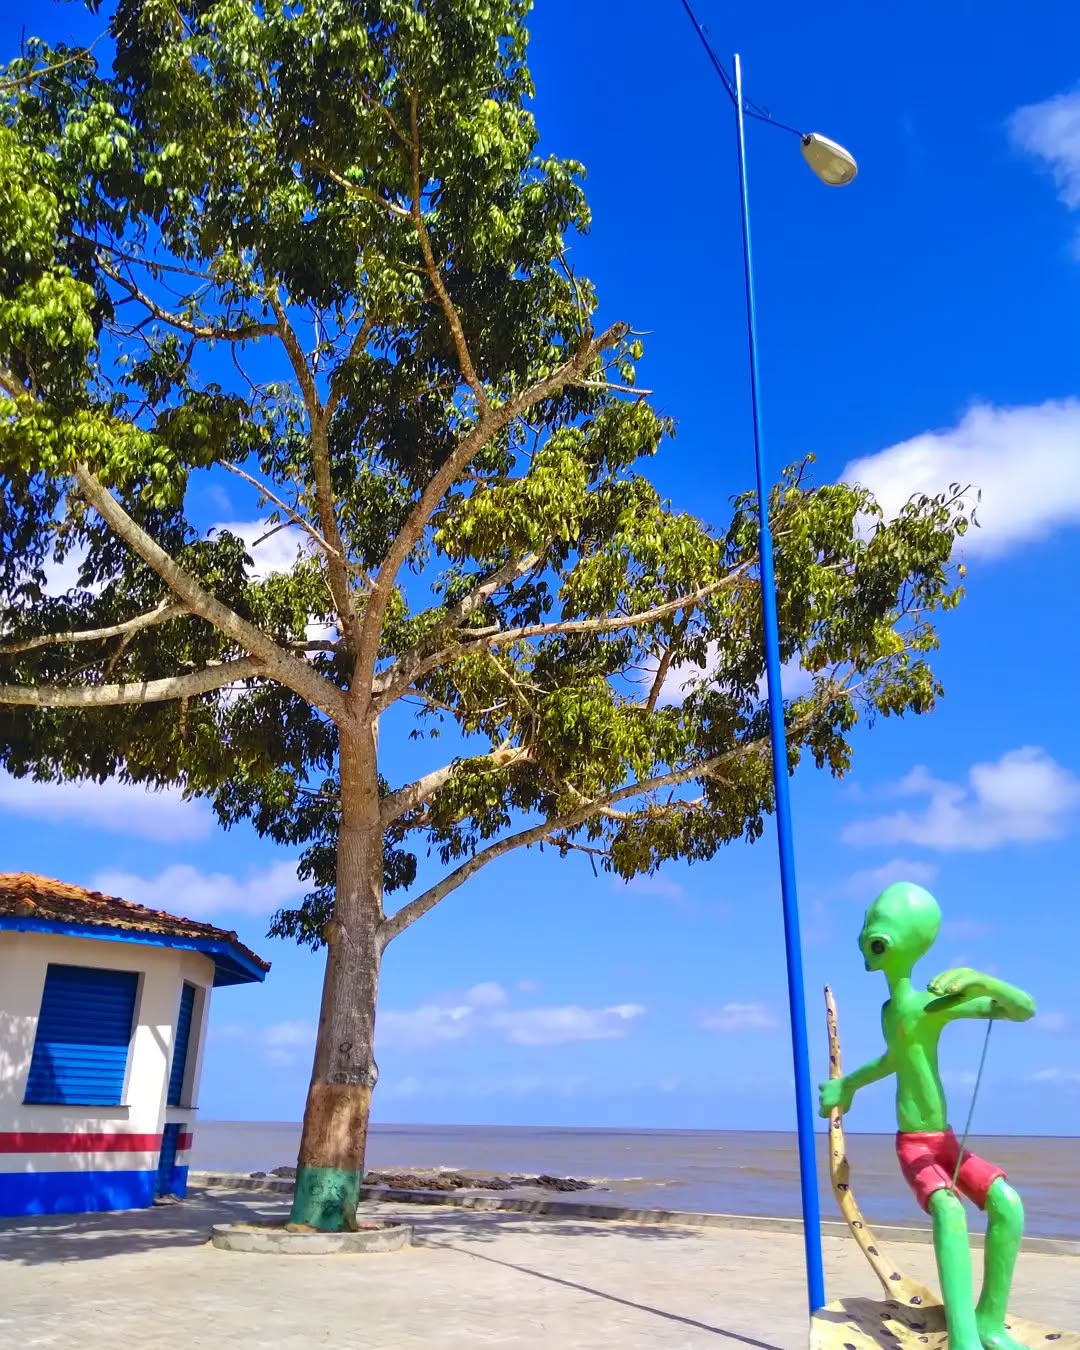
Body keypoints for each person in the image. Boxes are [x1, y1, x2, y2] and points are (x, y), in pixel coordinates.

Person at [819, 881, 1036, 1350]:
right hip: (913, 1142)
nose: (867, 943)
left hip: (944, 1141)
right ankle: (962, 1339)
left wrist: (981, 980)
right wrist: (847, 1085)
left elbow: (1023, 1009)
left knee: (1009, 1206)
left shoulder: (932, 1005)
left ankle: (986, 1324)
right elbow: (892, 1060)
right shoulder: (889, 1011)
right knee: (948, 1210)